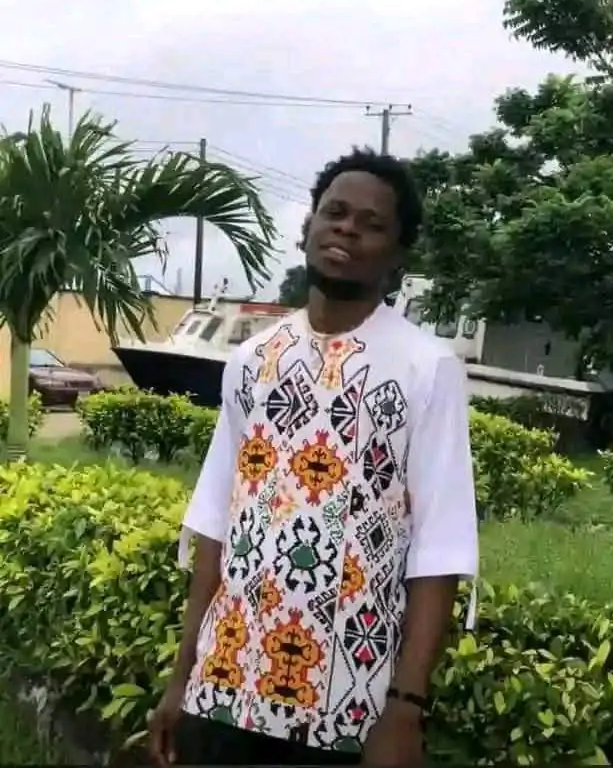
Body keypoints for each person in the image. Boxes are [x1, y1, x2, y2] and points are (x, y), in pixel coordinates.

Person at [149, 147, 479, 767]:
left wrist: (406, 709)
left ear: (399, 253)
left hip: (346, 712)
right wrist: (181, 679)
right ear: (308, 227)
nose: (347, 229)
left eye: (372, 224)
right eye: (335, 213)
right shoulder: (252, 361)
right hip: (223, 692)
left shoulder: (426, 368)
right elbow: (217, 523)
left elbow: (440, 548)